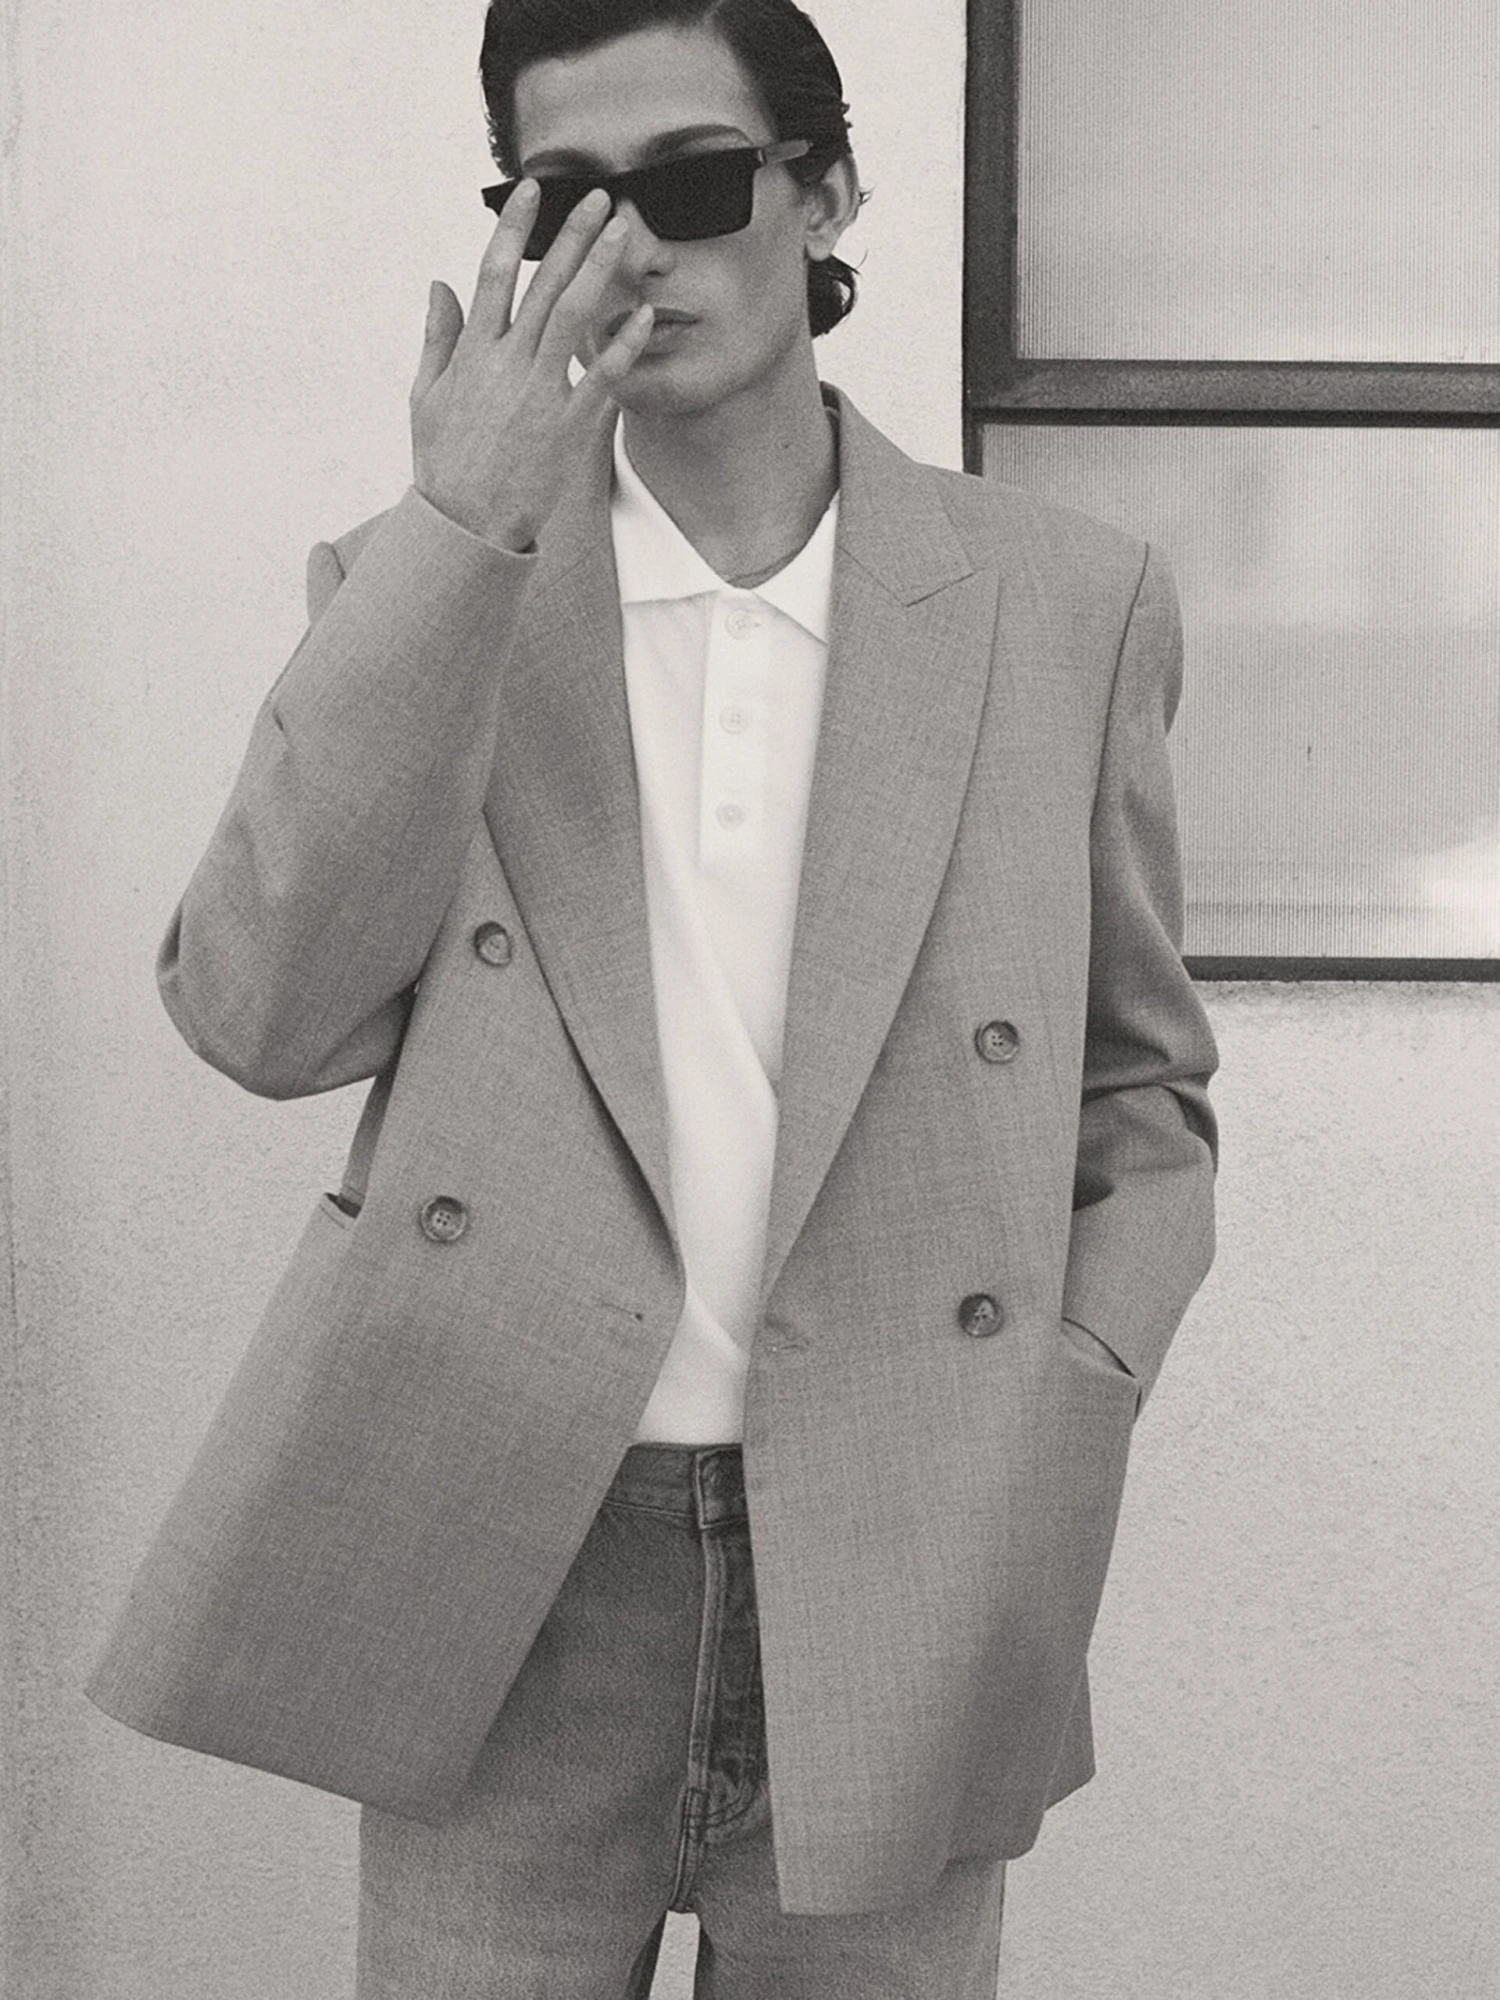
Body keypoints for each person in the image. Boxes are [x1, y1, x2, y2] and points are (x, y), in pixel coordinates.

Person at [88, 0, 1219, 1992]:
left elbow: (1141, 1091)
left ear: (827, 193)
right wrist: (465, 531)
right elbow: (258, 1015)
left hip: (899, 1532)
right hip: (508, 1554)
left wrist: (1066, 1392)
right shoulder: (430, 587)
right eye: (562, 201)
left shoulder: (1065, 600)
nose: (629, 252)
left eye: (692, 186)